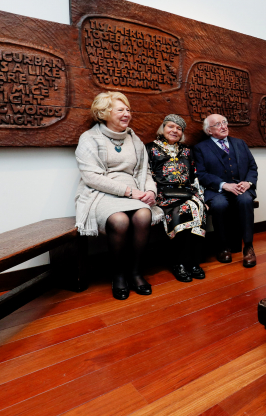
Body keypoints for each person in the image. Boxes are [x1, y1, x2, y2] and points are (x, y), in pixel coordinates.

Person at [74, 91, 163, 300]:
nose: (127, 114)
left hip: (135, 192)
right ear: (104, 113)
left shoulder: (134, 139)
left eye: (128, 110)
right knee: (119, 220)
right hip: (101, 194)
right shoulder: (89, 138)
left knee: (143, 215)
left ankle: (135, 272)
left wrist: (151, 191)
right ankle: (119, 275)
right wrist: (129, 191)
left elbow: (145, 171)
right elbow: (91, 177)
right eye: (120, 110)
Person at [146, 114, 207, 282]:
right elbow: (146, 175)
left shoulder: (187, 151)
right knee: (183, 210)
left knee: (199, 208)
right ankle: (179, 263)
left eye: (179, 129)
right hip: (163, 195)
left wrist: (200, 198)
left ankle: (194, 262)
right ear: (163, 128)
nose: (174, 130)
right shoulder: (150, 148)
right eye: (171, 126)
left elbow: (194, 177)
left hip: (187, 193)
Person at [193, 113, 258, 267]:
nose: (223, 126)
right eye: (218, 124)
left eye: (224, 122)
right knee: (219, 205)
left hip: (241, 188)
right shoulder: (200, 148)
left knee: (246, 200)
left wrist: (248, 183)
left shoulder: (240, 143)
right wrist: (223, 185)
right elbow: (201, 174)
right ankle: (223, 247)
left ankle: (248, 247)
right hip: (217, 191)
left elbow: (252, 167)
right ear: (209, 131)